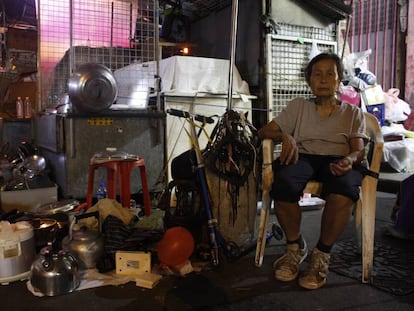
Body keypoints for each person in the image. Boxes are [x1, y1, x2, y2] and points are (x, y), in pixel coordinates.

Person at [258, 52, 367, 290]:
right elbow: (264, 131)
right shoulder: (299, 106)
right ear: (309, 80)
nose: (324, 79)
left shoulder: (352, 113)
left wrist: (349, 159)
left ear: (340, 80)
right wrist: (284, 135)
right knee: (283, 183)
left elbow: (358, 150)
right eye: (317, 74)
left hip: (338, 158)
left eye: (331, 74)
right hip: (304, 156)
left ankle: (321, 255)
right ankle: (295, 247)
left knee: (344, 190)